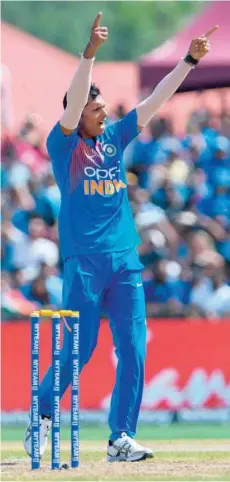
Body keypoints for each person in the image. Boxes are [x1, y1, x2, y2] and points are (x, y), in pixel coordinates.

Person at [24, 12, 218, 462]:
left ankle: (120, 438)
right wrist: (88, 54)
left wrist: (189, 61)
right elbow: (74, 105)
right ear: (77, 113)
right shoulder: (63, 145)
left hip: (124, 259)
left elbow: (155, 100)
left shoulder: (114, 138)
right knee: (80, 348)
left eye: (103, 107)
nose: (103, 112)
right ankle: (44, 417)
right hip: (84, 262)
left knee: (132, 349)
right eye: (96, 108)